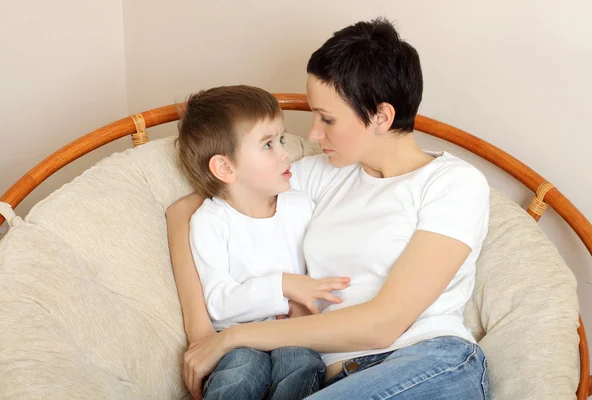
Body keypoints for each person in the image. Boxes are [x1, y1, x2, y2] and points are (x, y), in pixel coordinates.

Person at [167, 17, 490, 400]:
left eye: (328, 119)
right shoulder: (321, 176)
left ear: (381, 117)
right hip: (334, 379)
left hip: (428, 363)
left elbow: (383, 324)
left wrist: (233, 337)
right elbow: (184, 211)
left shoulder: (453, 183)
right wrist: (202, 334)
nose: (314, 134)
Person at [173, 85, 350, 400]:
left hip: (294, 333)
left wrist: (304, 304)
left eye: (281, 139)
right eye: (268, 144)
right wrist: (283, 287)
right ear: (225, 168)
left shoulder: (300, 206)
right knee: (240, 371)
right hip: (237, 341)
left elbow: (324, 276)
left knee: (299, 362)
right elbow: (218, 305)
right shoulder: (210, 221)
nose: (285, 152)